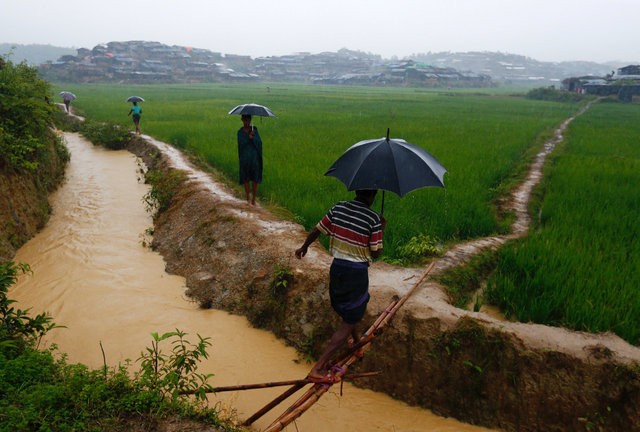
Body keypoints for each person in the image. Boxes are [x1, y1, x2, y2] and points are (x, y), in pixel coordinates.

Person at [295, 189, 386, 382]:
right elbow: (376, 253)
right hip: (356, 273)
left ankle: (357, 344)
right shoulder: (373, 219)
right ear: (372, 196)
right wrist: (381, 229)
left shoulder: (339, 208)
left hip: (337, 268)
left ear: (357, 191)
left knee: (351, 310)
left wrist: (304, 247)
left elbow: (317, 230)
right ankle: (318, 368)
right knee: (350, 316)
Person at [237, 114, 263, 205]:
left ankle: (254, 200)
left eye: (248, 120)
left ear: (250, 120)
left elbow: (259, 143)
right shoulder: (240, 132)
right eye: (244, 120)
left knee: (255, 179)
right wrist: (249, 138)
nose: (246, 122)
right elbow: (241, 144)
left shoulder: (254, 130)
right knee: (246, 179)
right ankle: (247, 199)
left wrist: (254, 138)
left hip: (254, 158)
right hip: (245, 158)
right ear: (242, 120)